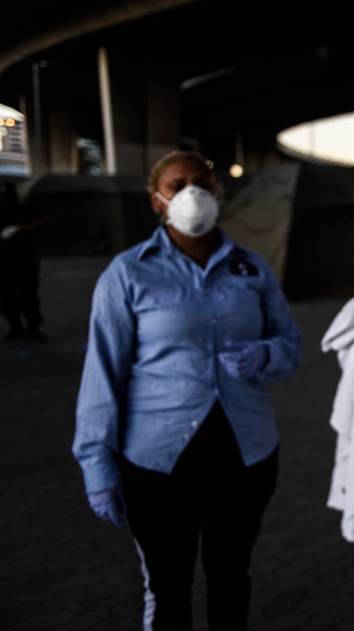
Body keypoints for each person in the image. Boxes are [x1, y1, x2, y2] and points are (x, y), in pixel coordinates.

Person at [71, 150, 303, 630]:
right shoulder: (128, 273)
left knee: (231, 578)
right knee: (168, 587)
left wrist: (265, 355)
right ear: (157, 200)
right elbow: (103, 374)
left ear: (218, 193)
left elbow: (290, 345)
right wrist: (97, 463)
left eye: (202, 182)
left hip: (246, 455)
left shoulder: (251, 269)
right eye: (177, 185)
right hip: (157, 463)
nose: (192, 193)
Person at [0, 179, 45, 342]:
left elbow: (38, 222)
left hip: (24, 261)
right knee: (7, 297)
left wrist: (19, 229)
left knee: (28, 297)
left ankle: (33, 328)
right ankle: (16, 327)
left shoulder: (24, 210)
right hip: (4, 263)